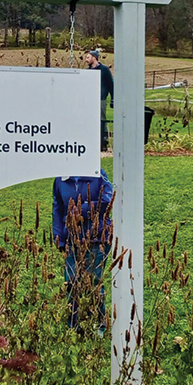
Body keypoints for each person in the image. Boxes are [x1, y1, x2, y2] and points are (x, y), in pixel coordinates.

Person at [51, 169, 114, 335]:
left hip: (97, 237)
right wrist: (58, 236)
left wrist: (81, 209)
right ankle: (74, 325)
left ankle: (99, 325)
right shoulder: (61, 178)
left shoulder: (97, 173)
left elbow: (108, 200)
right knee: (71, 282)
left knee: (93, 282)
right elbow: (57, 207)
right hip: (71, 238)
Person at [84, 49, 114, 151]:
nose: (86, 59)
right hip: (90, 100)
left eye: (88, 57)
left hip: (101, 99)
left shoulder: (104, 70)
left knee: (102, 120)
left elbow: (111, 85)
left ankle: (104, 141)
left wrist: (113, 99)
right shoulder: (88, 71)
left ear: (94, 57)